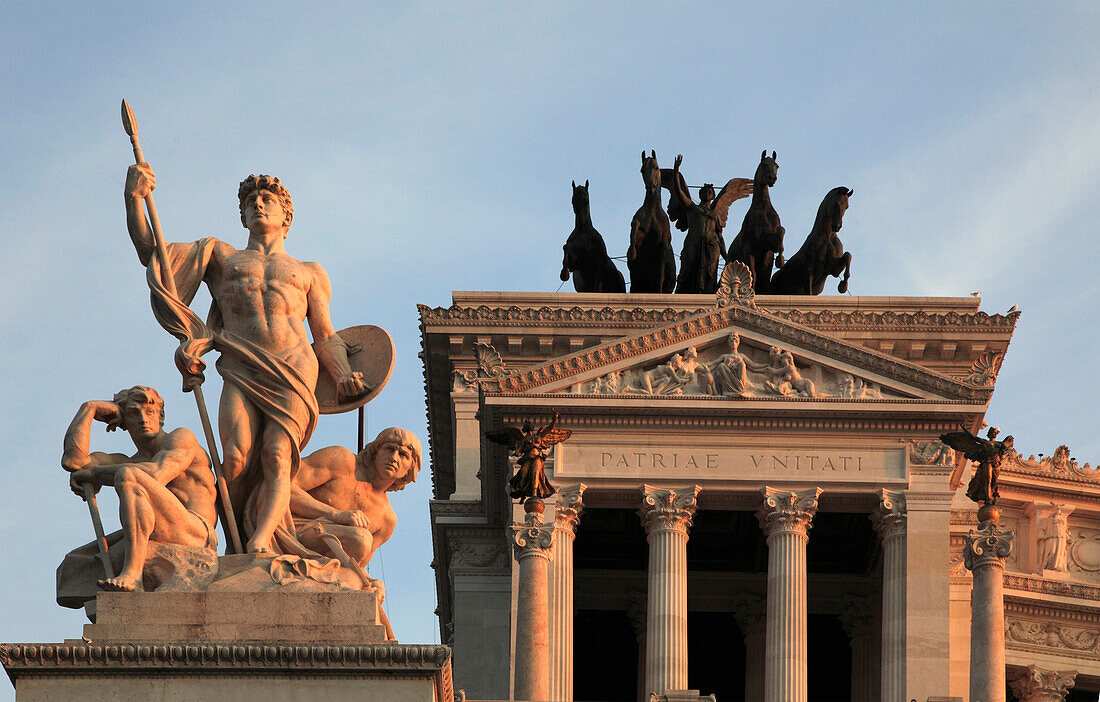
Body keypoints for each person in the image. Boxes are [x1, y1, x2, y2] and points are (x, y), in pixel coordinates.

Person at [124, 164, 366, 555]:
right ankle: (226, 539)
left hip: (293, 365)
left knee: (276, 453)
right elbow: (153, 256)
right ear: (243, 216)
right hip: (240, 363)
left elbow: (325, 334)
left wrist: (342, 375)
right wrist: (134, 198)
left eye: (268, 199)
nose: (258, 204)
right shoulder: (220, 257)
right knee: (234, 458)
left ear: (286, 216)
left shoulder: (308, 272)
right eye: (251, 200)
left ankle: (259, 542)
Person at [62, 386, 217, 592]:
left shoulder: (181, 438)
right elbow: (75, 462)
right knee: (78, 562)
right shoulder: (128, 461)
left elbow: (156, 475)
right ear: (122, 421)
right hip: (160, 530)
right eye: (134, 414)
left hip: (195, 532)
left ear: (161, 416)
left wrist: (94, 475)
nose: (144, 419)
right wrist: (89, 409)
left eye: (150, 412)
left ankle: (133, 575)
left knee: (129, 476)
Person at [289, 427, 421, 572]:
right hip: (292, 530)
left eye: (403, 455)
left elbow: (356, 567)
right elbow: (283, 486)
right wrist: (335, 514)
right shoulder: (341, 461)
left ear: (410, 469)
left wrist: (371, 583)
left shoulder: (386, 520)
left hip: (328, 566)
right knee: (361, 538)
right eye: (389, 449)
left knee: (361, 542)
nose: (394, 458)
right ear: (375, 451)